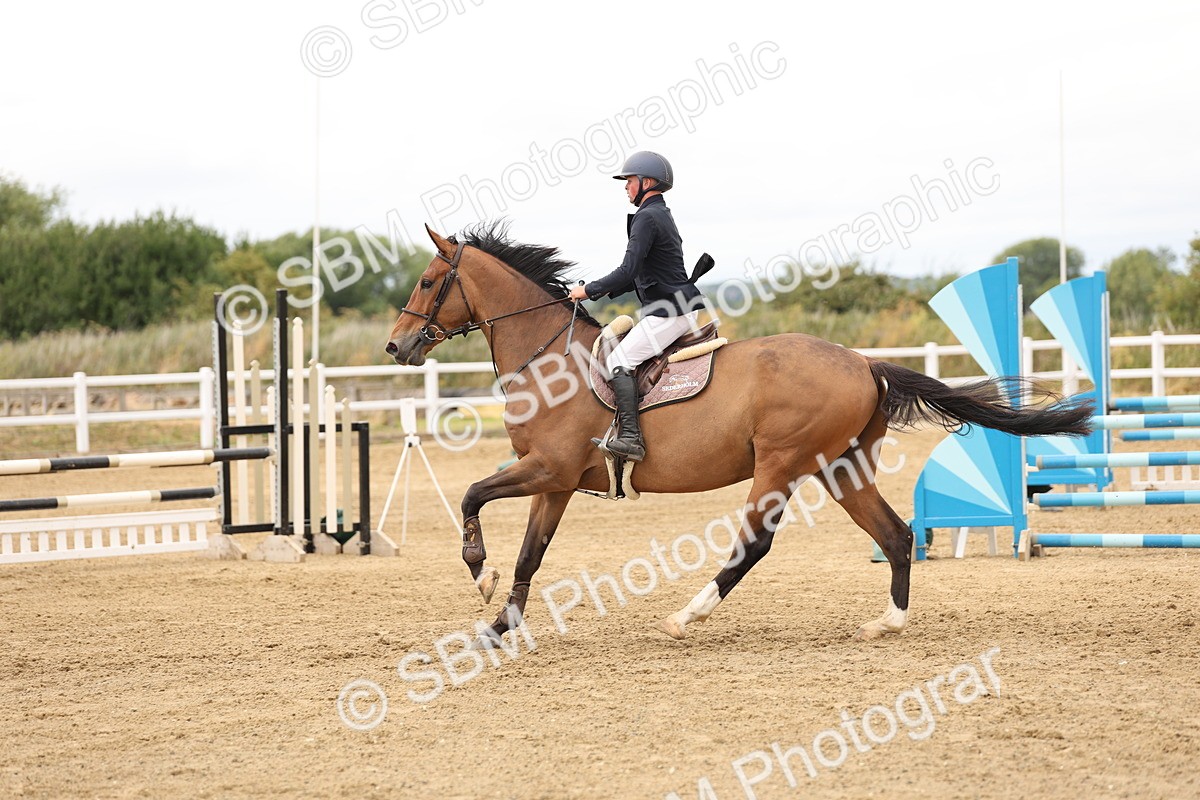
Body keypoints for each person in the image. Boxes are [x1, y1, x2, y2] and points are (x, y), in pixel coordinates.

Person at [567, 151, 704, 462]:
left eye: (629, 181)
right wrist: (594, 291)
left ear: (647, 182)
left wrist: (588, 290)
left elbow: (627, 271)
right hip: (676, 305)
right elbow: (640, 275)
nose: (625, 187)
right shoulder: (659, 214)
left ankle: (631, 438)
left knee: (618, 362)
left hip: (671, 310)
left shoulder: (647, 217)